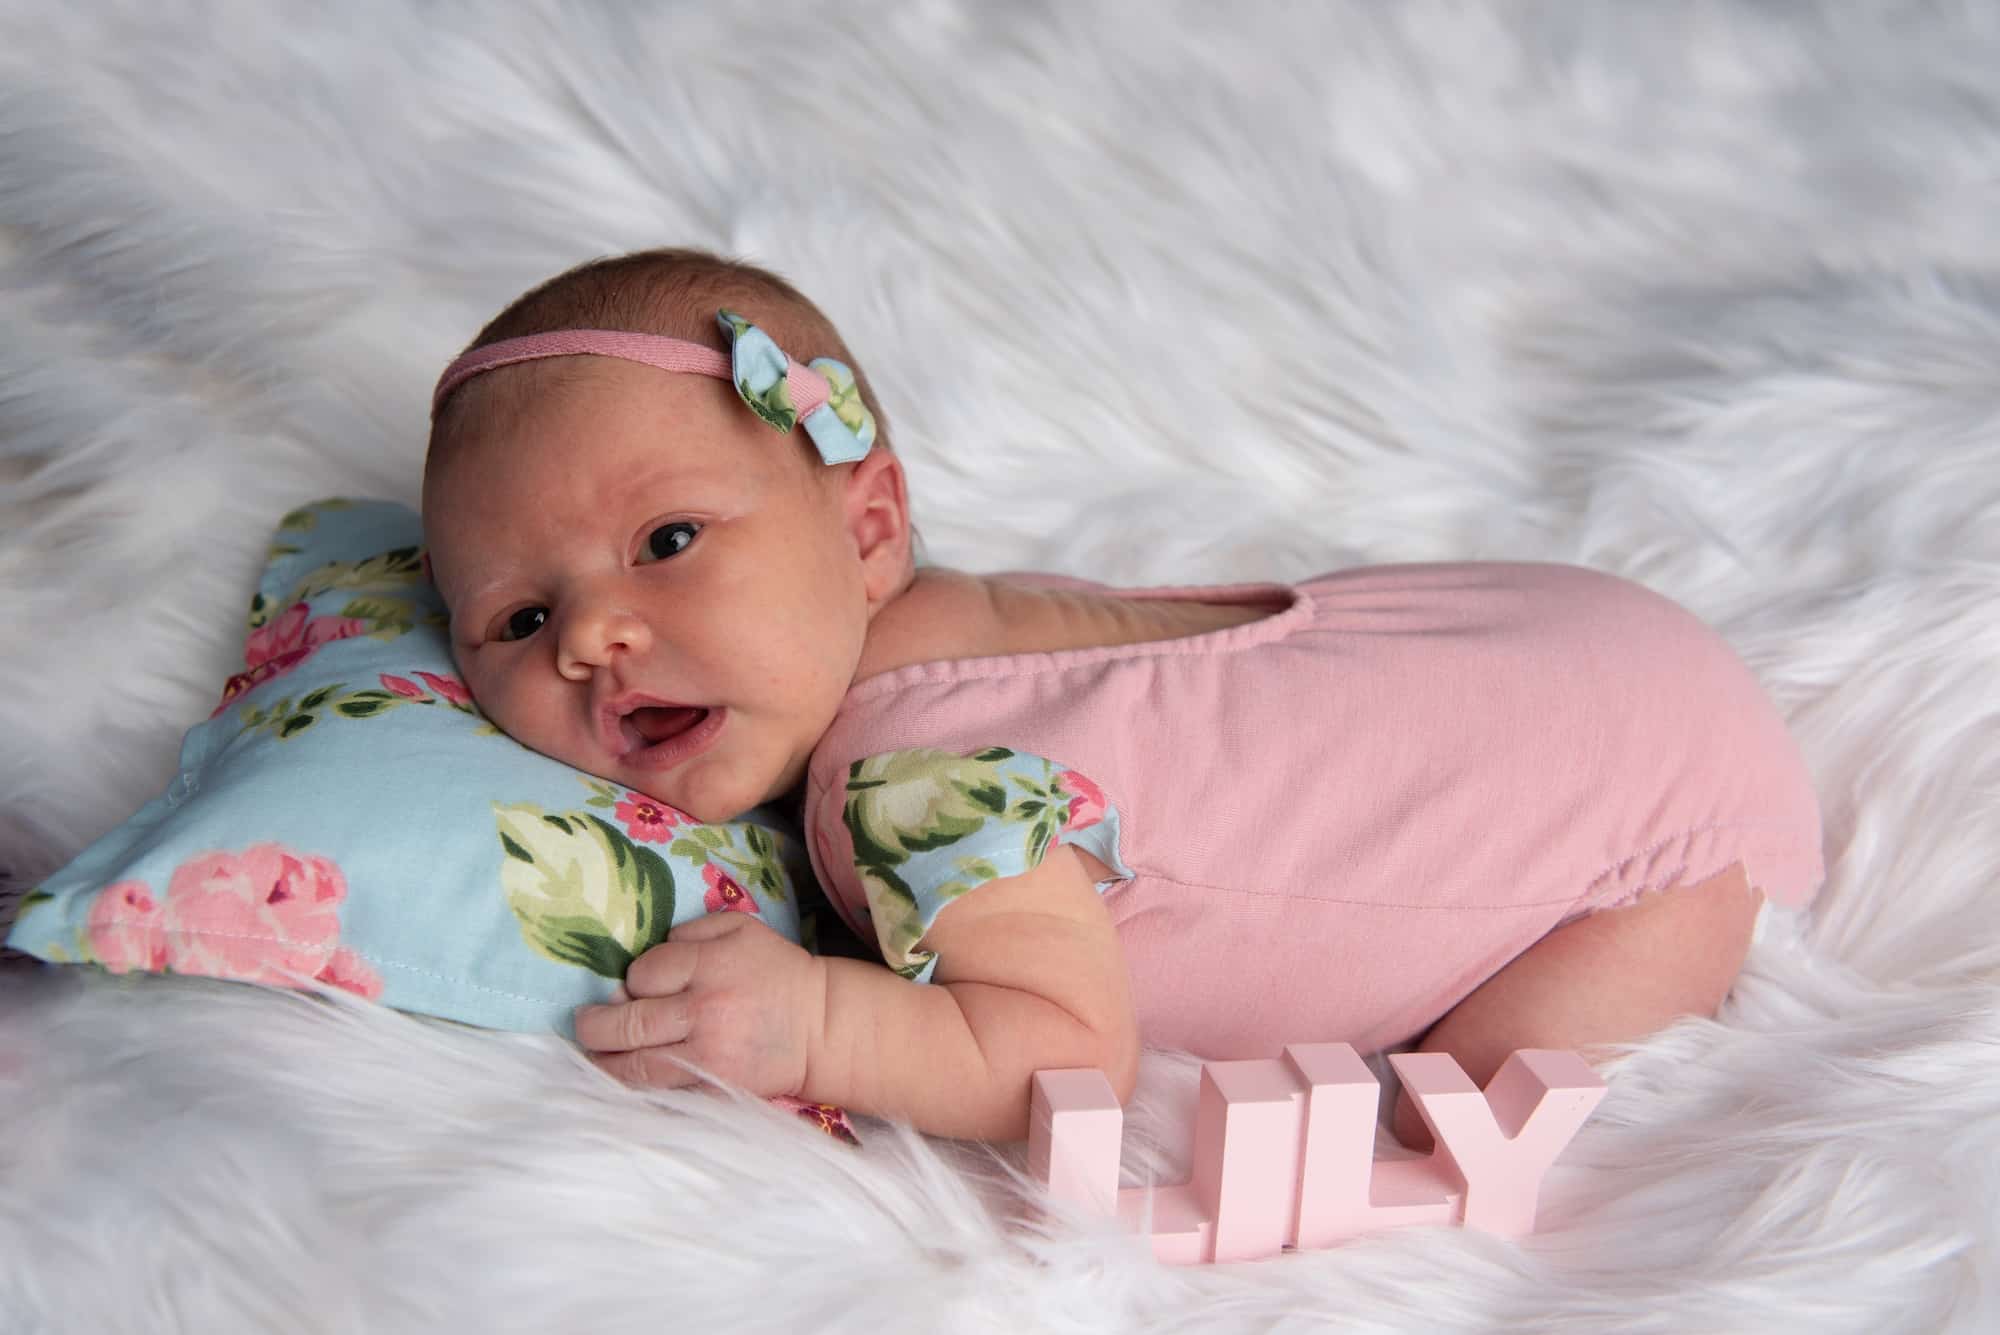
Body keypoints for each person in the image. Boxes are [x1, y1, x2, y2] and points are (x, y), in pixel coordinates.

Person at [420, 248, 1824, 1147]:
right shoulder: (947, 626)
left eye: (669, 543)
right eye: (520, 618)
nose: (597, 637)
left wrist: (820, 1027)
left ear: (865, 530)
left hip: (1659, 831)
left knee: (1471, 1113)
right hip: (1552, 634)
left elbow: (1061, 1051)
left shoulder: (904, 777)